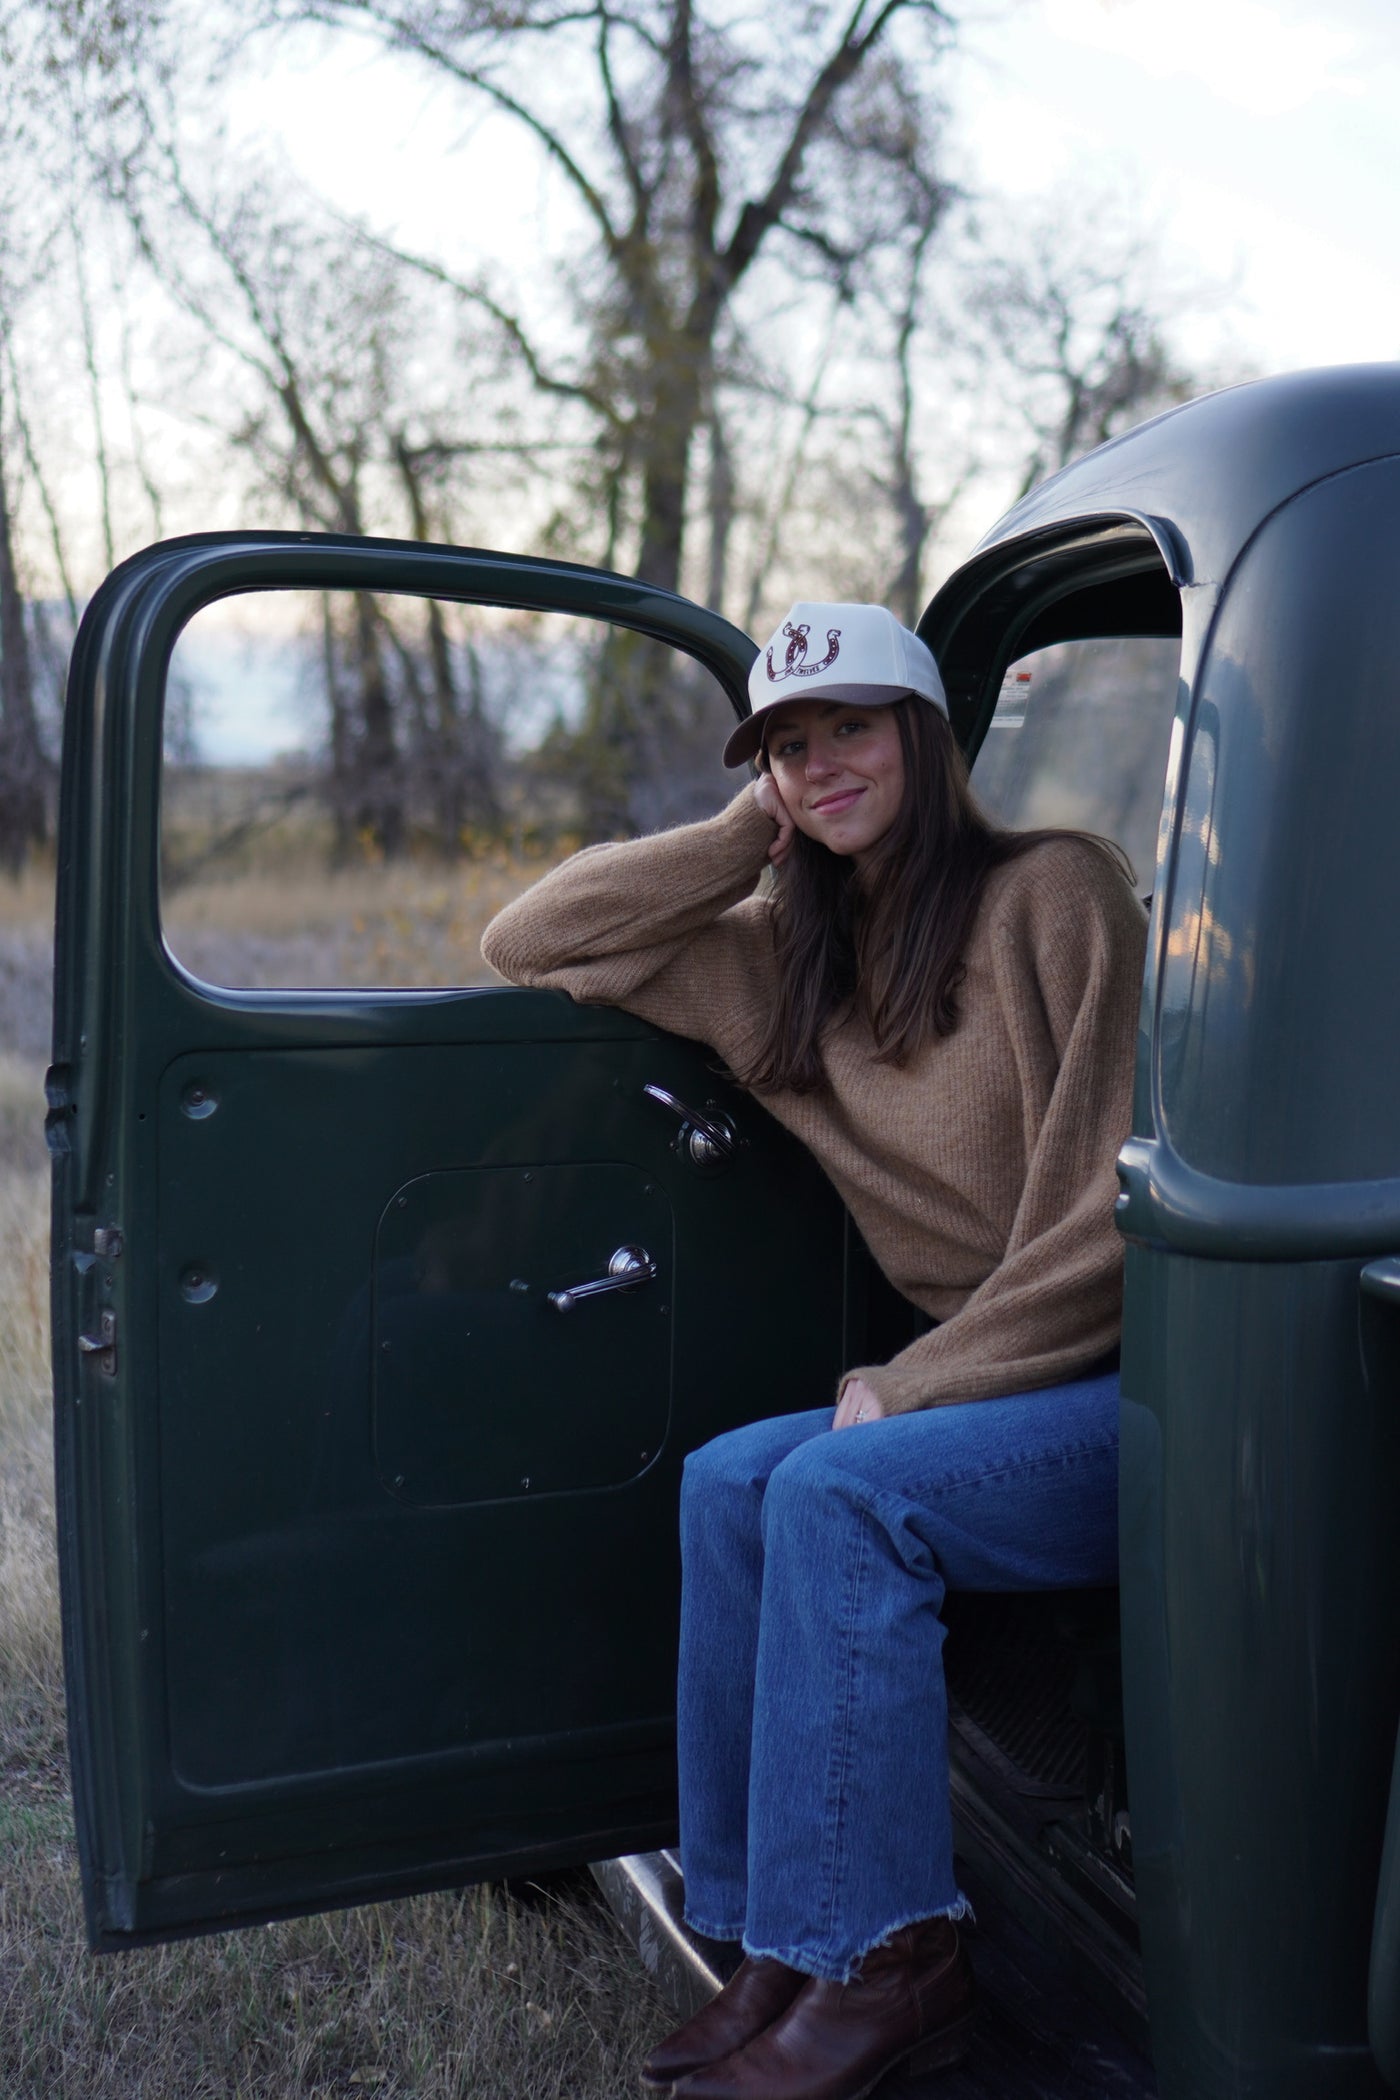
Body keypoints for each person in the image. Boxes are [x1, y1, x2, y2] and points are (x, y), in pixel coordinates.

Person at [481, 601, 1147, 2100]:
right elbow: (530, 938)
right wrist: (745, 840)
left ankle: (893, 1959)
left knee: (836, 1494)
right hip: (984, 1392)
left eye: (848, 727)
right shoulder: (783, 956)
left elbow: (1112, 1224)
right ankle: (766, 1934)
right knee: (730, 1482)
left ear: (922, 731)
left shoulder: (1055, 894)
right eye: (787, 746)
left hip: (1129, 1385)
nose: (819, 763)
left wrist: (912, 1386)